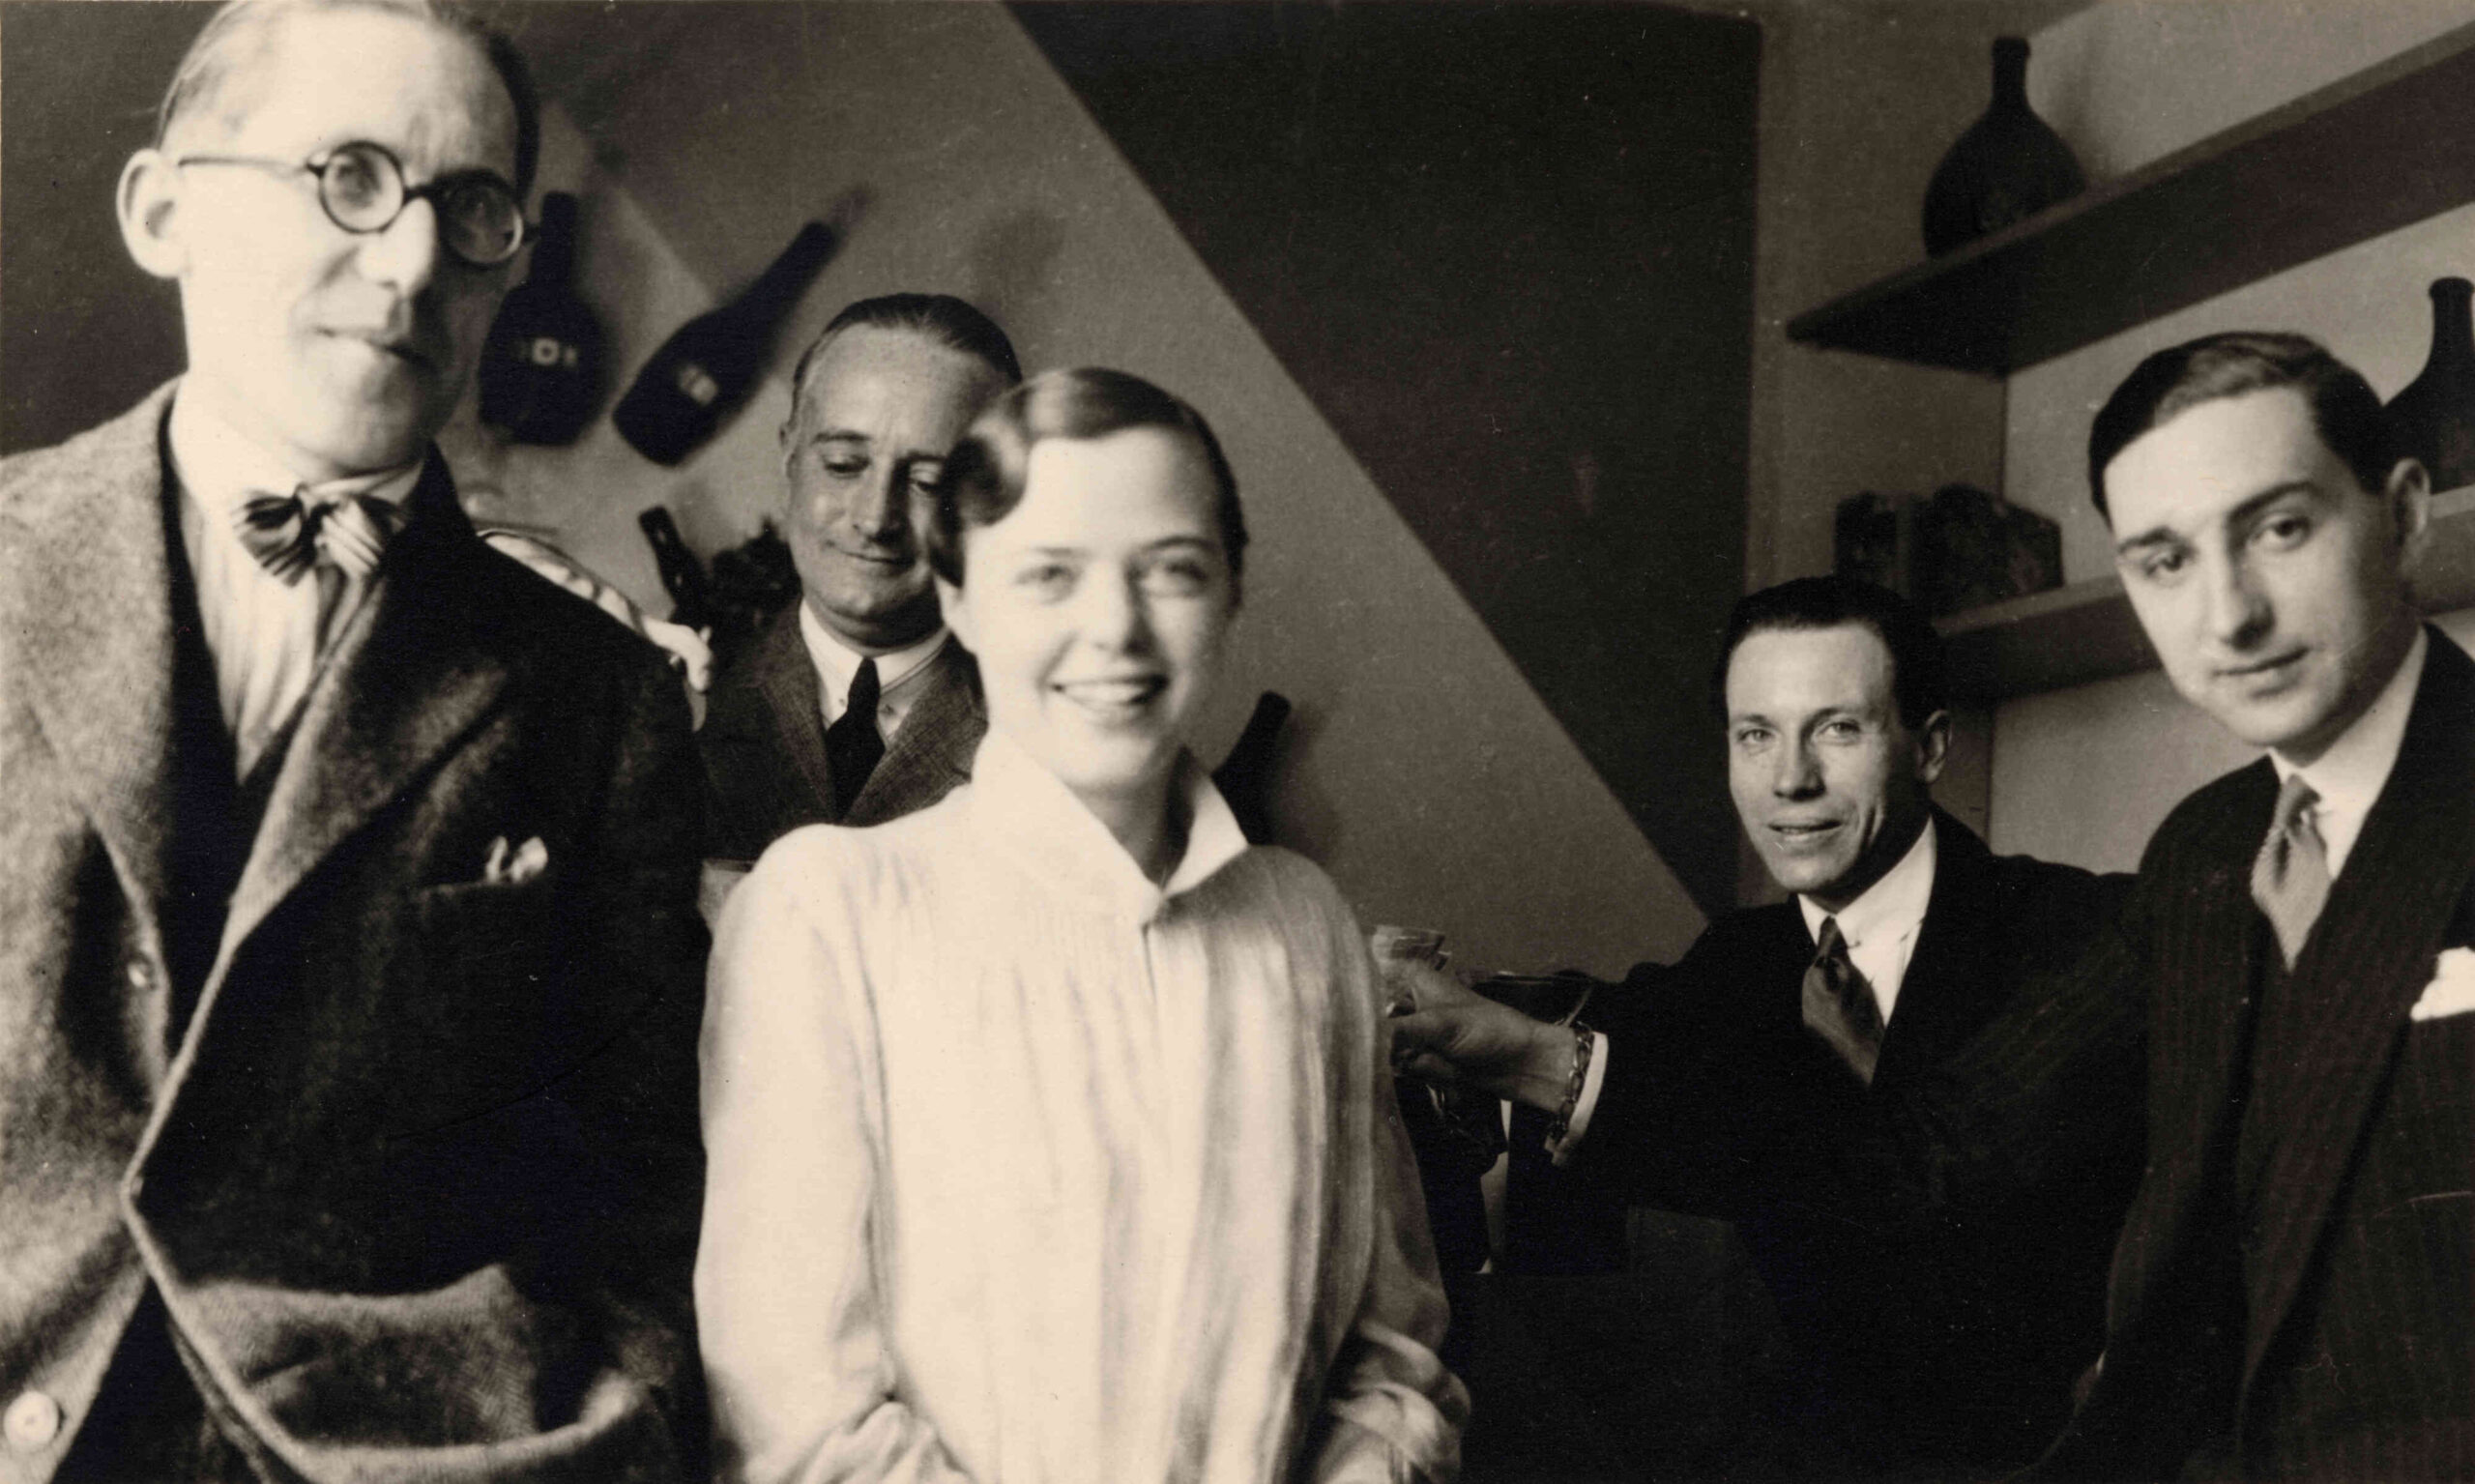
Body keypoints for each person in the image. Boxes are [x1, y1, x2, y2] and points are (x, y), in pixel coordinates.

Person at [0, 1, 708, 1475]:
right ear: (164, 208)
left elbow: (633, 1208)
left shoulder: (598, 698)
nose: (410, 265)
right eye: (351, 177)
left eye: (472, 209)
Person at [696, 368, 1466, 1483]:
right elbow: (797, 1419)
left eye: (1172, 571)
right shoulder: (829, 908)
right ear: (958, 598)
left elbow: (1391, 1360)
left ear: (1233, 593)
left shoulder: (1306, 929)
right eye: (1048, 574)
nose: (1114, 628)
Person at [1391, 575, 2144, 1478]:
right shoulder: (1739, 957)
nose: (1791, 780)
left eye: (1838, 728)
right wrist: (1445, 1004)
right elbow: (1630, 1037)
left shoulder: (2082, 933)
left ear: (1931, 745)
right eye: (1757, 735)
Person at [2035, 332, 2473, 1480]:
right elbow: (1965, 1124)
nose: (2227, 617)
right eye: (2163, 560)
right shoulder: (2202, 845)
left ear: (2405, 513)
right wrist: (1546, 1055)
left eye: (2278, 528)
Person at [698, 294, 1019, 864]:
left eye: (928, 482)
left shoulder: (1055, 749)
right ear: (789, 457)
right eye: (844, 465)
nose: (874, 518)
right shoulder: (679, 704)